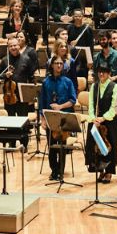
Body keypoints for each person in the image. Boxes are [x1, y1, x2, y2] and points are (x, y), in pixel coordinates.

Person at [39, 49, 79, 181]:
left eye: (61, 63)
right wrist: (42, 119)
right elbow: (42, 103)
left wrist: (60, 107)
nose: (59, 65)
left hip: (63, 117)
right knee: (51, 146)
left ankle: (61, 172)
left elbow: (73, 100)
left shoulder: (68, 82)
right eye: (56, 63)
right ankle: (54, 171)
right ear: (52, 65)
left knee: (62, 146)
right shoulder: (46, 82)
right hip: (50, 117)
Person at [86, 64, 117, 181]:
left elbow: (114, 107)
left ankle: (109, 171)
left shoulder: (115, 86)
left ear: (109, 73)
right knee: (96, 147)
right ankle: (100, 169)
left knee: (109, 145)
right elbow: (91, 104)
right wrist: (93, 117)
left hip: (109, 121)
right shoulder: (94, 86)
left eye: (104, 72)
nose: (101, 74)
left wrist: (103, 118)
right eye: (100, 71)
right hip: (95, 120)